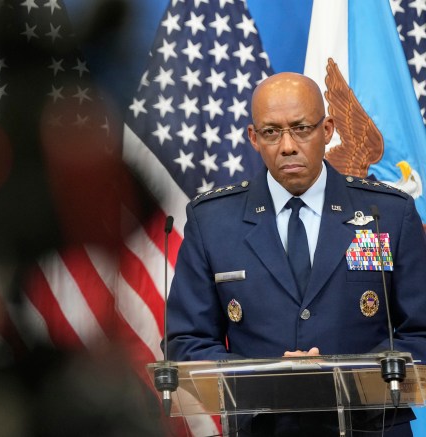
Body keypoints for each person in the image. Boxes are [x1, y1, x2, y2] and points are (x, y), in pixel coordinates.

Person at [165, 72, 426, 436]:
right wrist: (269, 382)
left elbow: (420, 332)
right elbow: (185, 342)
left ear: (328, 130)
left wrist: (344, 378)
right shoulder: (212, 222)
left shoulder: (389, 213)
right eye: (271, 132)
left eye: (301, 128)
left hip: (370, 427)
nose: (287, 146)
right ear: (253, 138)